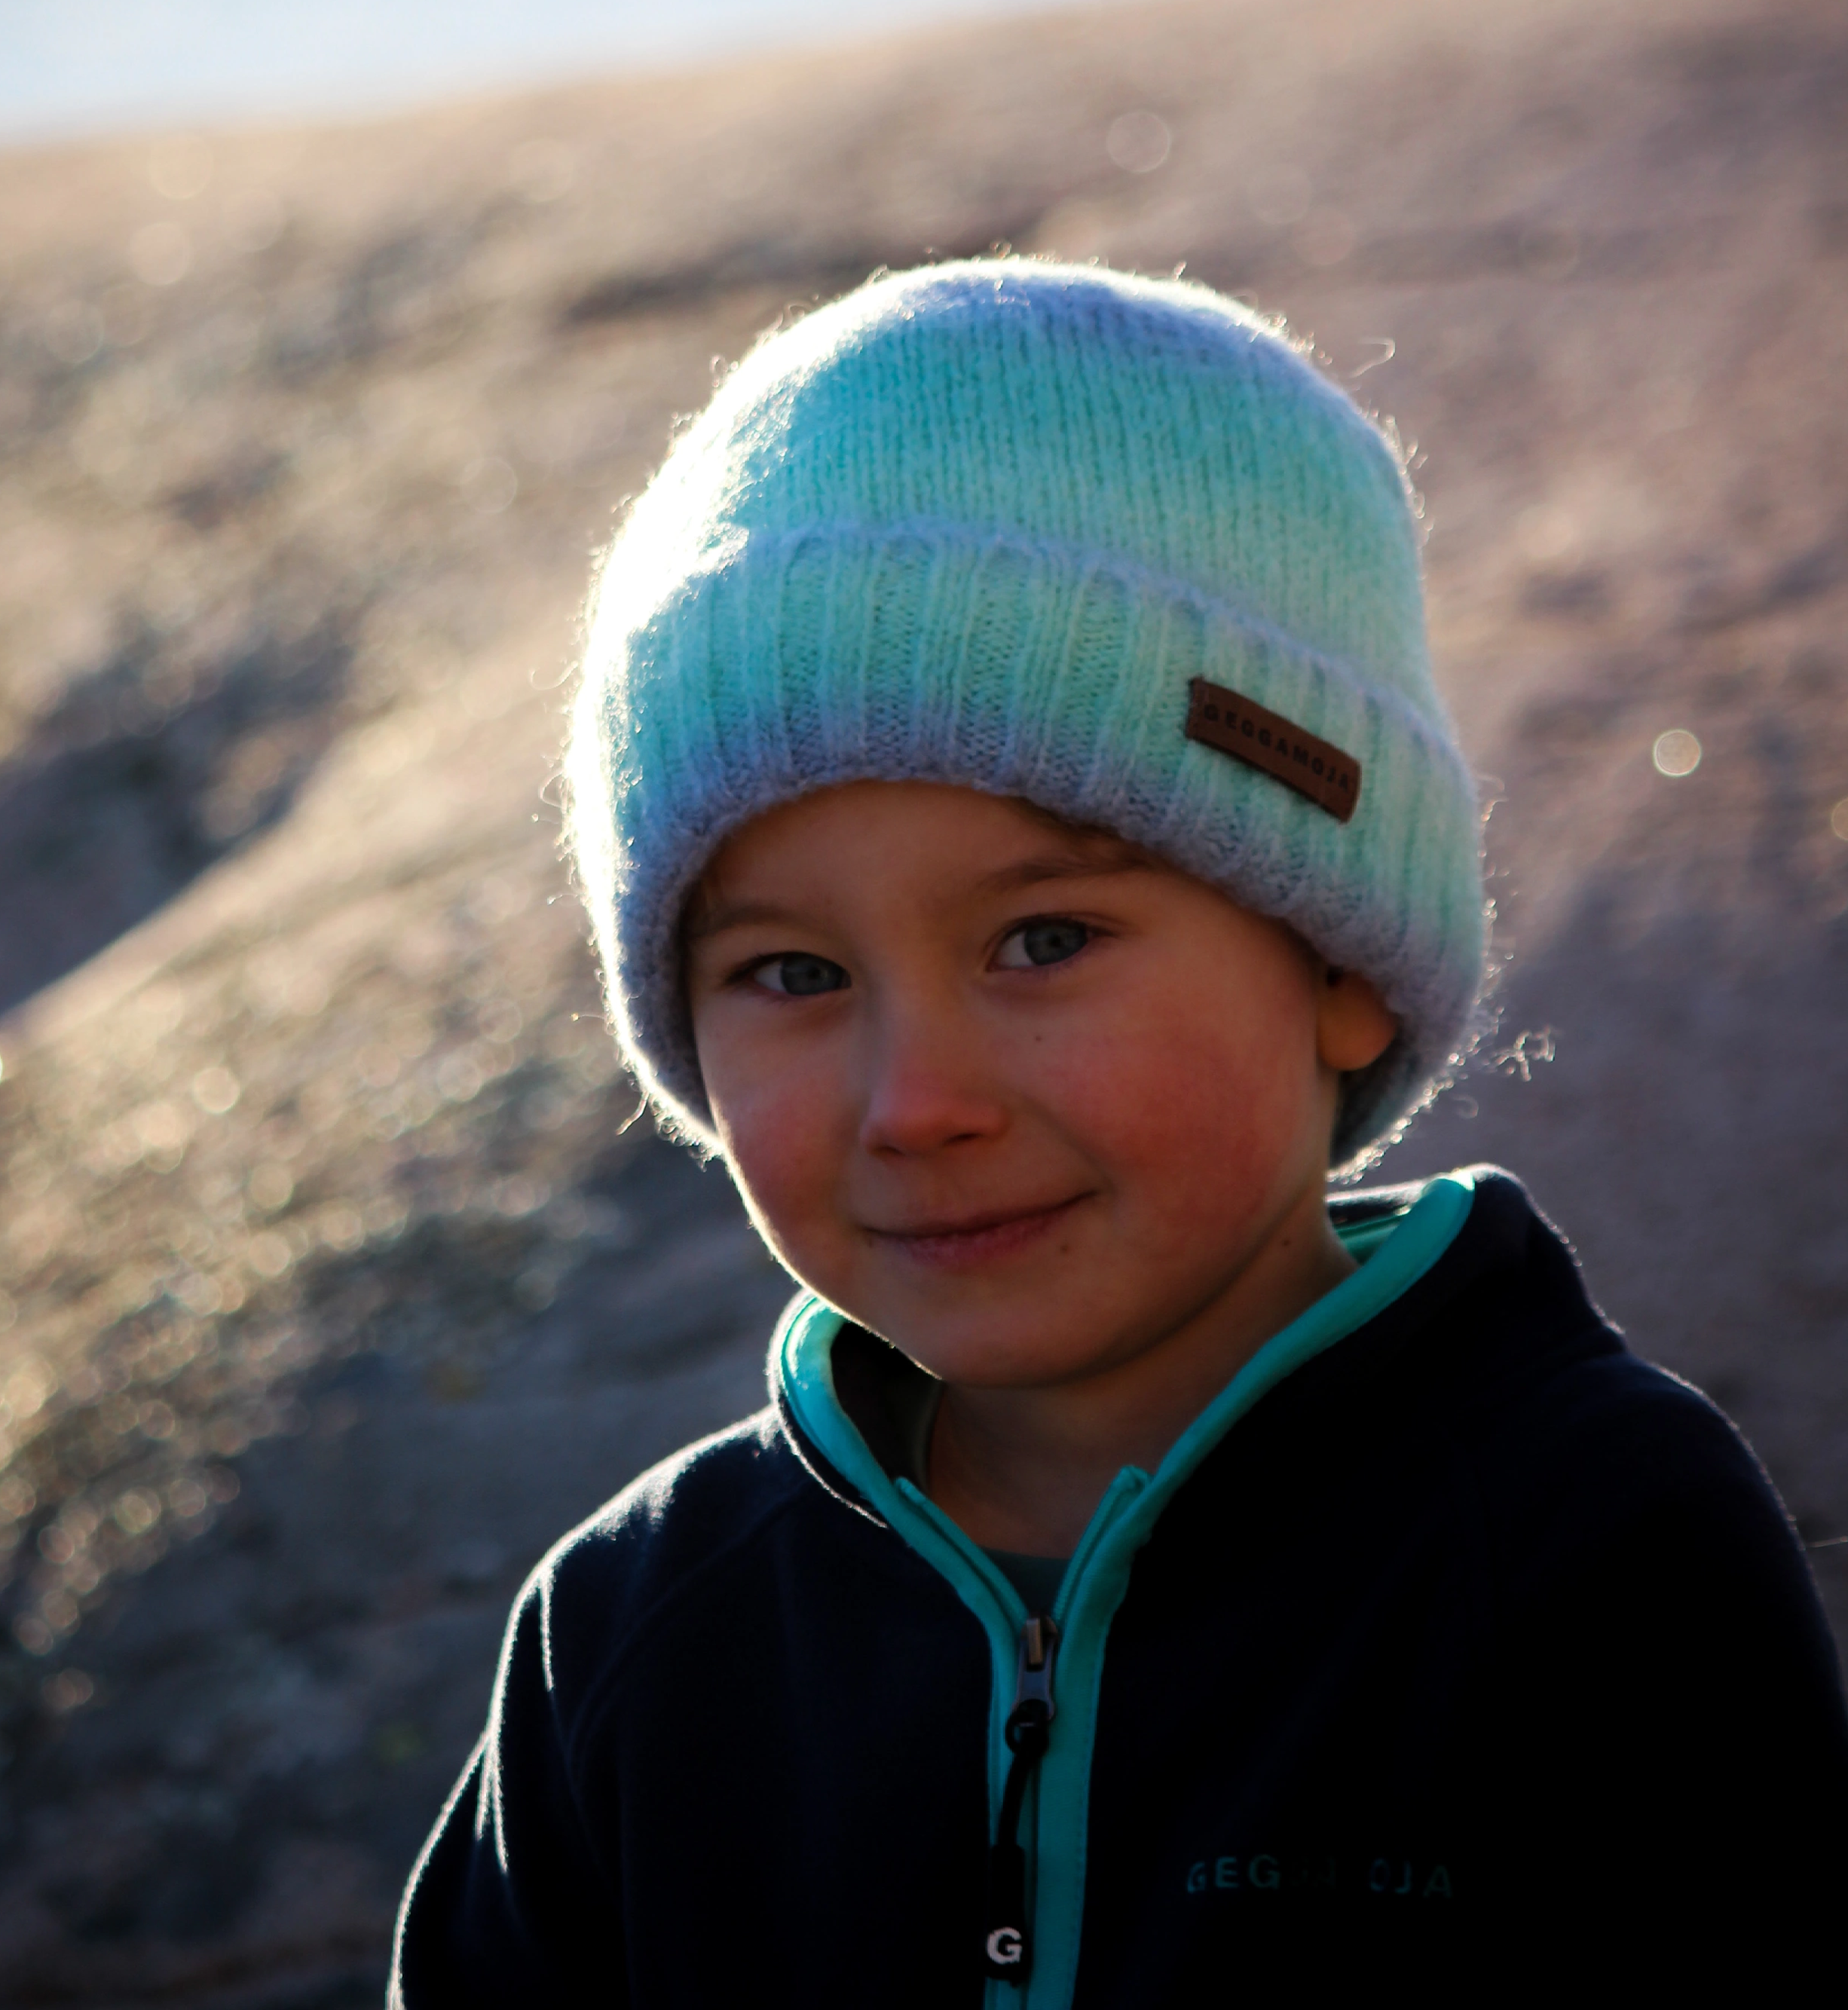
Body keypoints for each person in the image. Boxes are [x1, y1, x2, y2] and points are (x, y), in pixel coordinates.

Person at [389, 261, 1848, 2005]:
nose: (917, 1101)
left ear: (1338, 962)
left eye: (1044, 942)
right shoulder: (635, 1630)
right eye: (790, 969)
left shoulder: (1582, 1549)